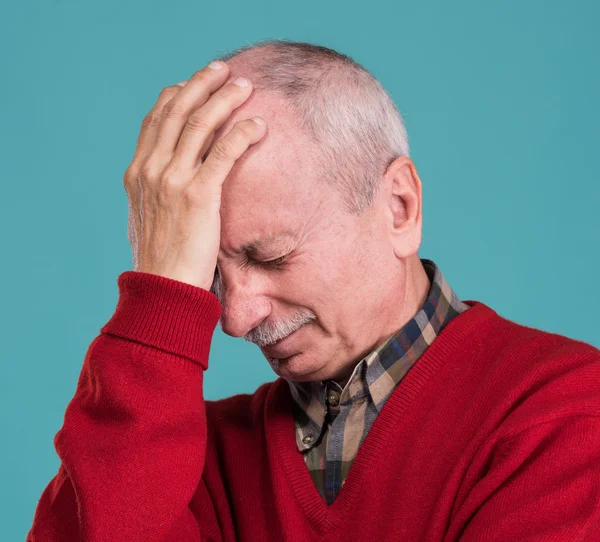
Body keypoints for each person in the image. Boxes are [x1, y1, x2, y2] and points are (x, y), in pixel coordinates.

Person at [28, 40, 600, 541]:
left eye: (270, 255)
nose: (235, 318)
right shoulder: (180, 456)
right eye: (209, 276)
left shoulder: (561, 411)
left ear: (399, 208)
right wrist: (160, 299)